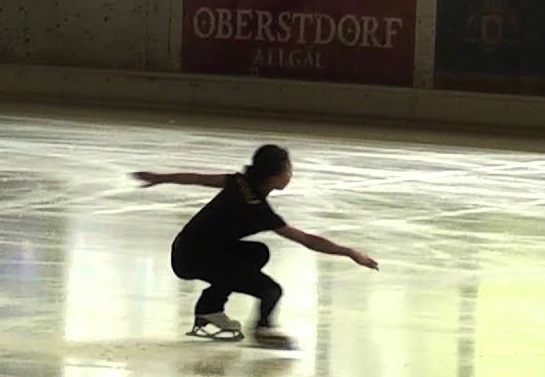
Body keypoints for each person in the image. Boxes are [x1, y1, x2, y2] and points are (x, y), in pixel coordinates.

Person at [133, 145, 378, 349]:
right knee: (271, 291)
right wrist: (349, 252)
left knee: (258, 253)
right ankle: (262, 331)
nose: (291, 174)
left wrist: (161, 177)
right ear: (274, 176)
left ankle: (210, 309)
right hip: (194, 258)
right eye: (288, 169)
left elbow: (197, 179)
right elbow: (305, 239)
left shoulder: (240, 182)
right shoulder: (258, 209)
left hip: (188, 249)